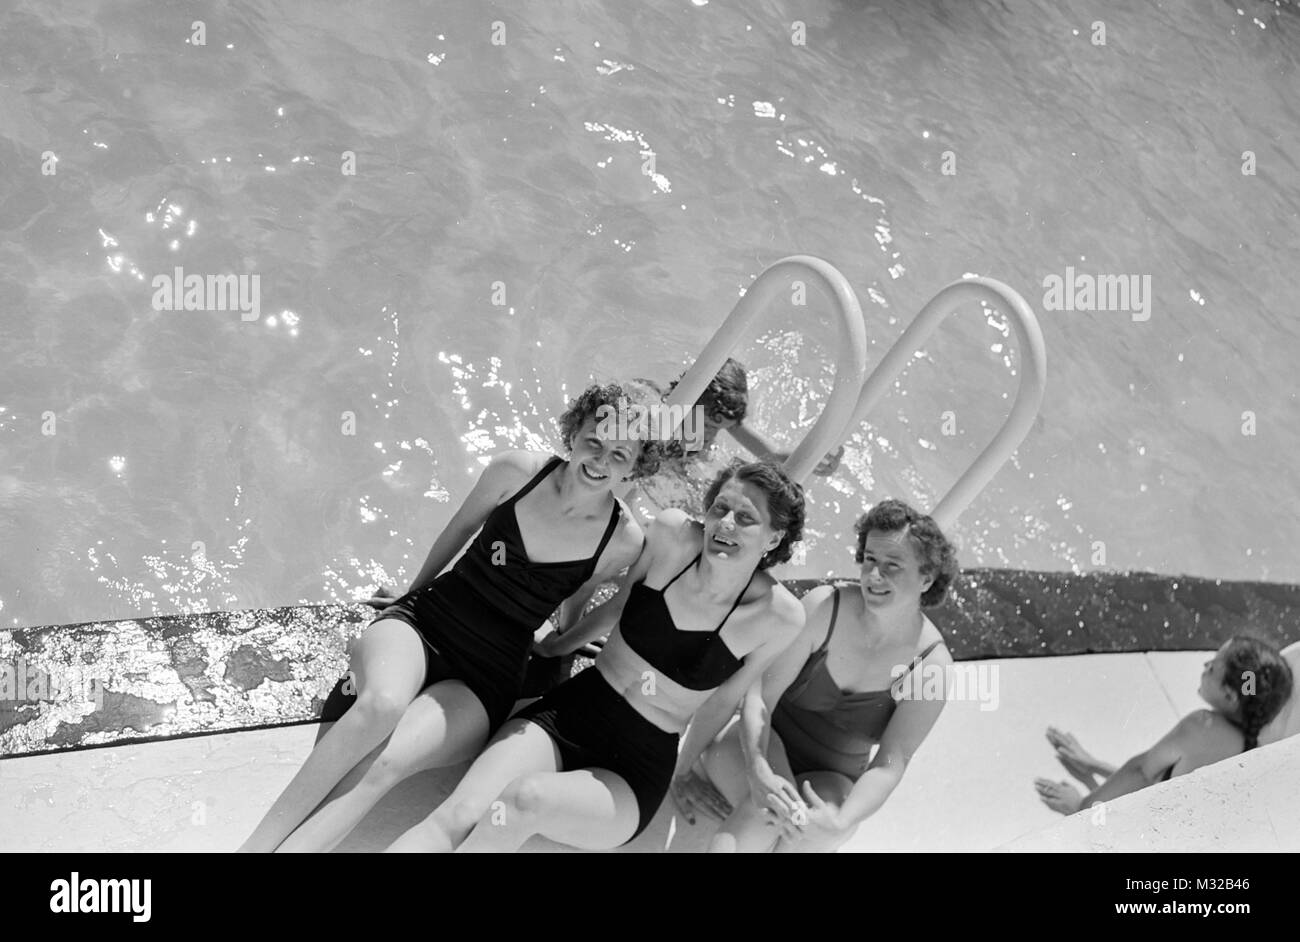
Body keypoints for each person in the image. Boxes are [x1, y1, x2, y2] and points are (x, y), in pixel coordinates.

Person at [237, 383, 661, 852]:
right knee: (380, 705)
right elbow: (459, 528)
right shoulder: (517, 471)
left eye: (620, 455)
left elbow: (578, 596)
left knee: (385, 765)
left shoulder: (622, 540)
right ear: (574, 433)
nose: (600, 461)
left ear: (637, 466)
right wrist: (410, 594)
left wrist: (560, 646)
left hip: (488, 677)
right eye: (594, 442)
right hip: (426, 621)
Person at [382, 460, 806, 852]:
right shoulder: (673, 536)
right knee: (460, 814)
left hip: (637, 765)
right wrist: (555, 646)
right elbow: (619, 606)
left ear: (774, 538)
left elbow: (725, 701)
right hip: (571, 712)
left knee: (524, 800)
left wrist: (686, 768)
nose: (725, 524)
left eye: (746, 518)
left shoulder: (778, 617)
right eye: (720, 508)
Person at [696, 498, 959, 852]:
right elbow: (760, 696)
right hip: (758, 744)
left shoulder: (931, 666)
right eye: (869, 560)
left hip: (833, 781)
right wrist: (759, 769)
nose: (874, 576)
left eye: (892, 566)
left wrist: (842, 821)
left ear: (926, 578)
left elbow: (889, 764)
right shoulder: (825, 607)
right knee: (768, 812)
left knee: (810, 835)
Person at [1036, 635, 1294, 814]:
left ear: (1229, 695)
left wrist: (1081, 807)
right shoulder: (1253, 749)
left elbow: (1141, 774)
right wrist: (1093, 764)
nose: (1205, 666)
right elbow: (1169, 787)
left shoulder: (1201, 726)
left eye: (1213, 667)